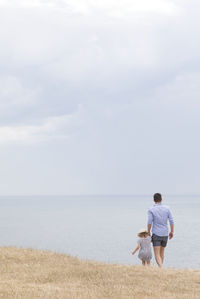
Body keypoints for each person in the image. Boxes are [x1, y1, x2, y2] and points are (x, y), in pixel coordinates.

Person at [147, 193, 174, 267]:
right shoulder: (167, 208)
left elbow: (149, 222)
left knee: (157, 254)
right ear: (161, 199)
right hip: (165, 233)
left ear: (153, 200)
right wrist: (172, 231)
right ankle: (161, 270)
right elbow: (171, 221)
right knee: (162, 253)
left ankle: (161, 269)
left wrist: (148, 232)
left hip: (156, 233)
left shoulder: (151, 209)